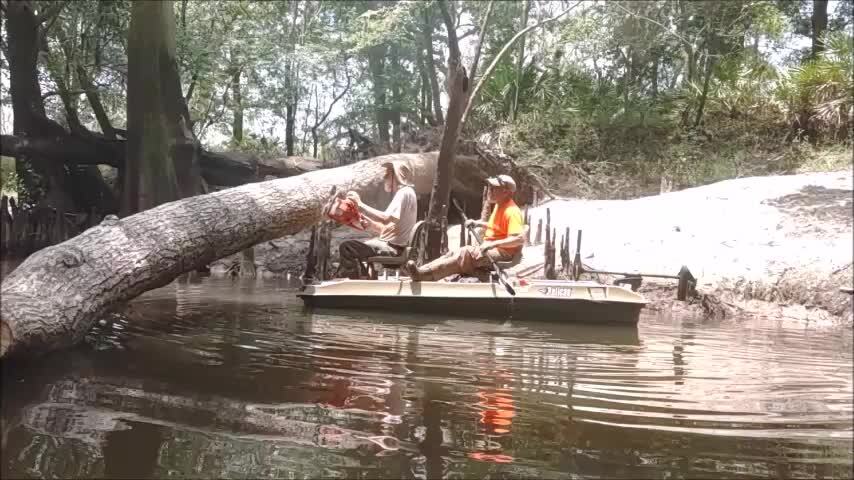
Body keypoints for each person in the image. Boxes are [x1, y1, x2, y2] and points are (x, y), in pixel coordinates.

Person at [405, 174, 525, 282]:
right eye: (489, 187)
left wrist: (491, 245)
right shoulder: (500, 206)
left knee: (465, 253)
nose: (490, 191)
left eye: (494, 188)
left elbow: (519, 239)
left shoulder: (512, 211)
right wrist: (478, 223)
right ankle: (422, 271)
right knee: (452, 253)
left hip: (504, 253)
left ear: (506, 192)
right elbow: (497, 227)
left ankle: (425, 276)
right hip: (492, 248)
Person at [337, 161, 417, 278]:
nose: (384, 177)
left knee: (347, 247)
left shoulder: (403, 193)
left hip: (393, 249)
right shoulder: (409, 193)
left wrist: (360, 204)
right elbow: (391, 227)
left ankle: (356, 283)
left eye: (387, 174)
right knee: (360, 246)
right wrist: (370, 224)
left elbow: (385, 218)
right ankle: (365, 278)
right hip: (394, 246)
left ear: (397, 175)